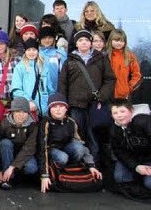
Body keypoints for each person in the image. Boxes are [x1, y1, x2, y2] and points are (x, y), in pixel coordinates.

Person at [58, 30, 116, 165]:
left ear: (91, 43)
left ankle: (93, 166)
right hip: (75, 105)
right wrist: (63, 103)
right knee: (78, 136)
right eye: (80, 40)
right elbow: (62, 83)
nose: (83, 43)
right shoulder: (70, 60)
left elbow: (110, 79)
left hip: (95, 104)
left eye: (86, 40)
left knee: (93, 137)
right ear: (76, 43)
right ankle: (79, 165)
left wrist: (102, 95)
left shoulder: (101, 59)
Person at [38, 93, 102, 193]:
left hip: (66, 147)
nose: (58, 110)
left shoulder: (71, 122)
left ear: (66, 109)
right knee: (63, 158)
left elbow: (80, 143)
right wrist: (44, 175)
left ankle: (74, 167)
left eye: (61, 106)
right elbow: (42, 147)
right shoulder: (46, 122)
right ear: (49, 109)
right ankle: (55, 167)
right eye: (54, 107)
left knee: (79, 149)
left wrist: (91, 165)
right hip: (51, 149)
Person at [0, 97, 38, 190]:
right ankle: (8, 179)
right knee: (5, 143)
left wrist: (13, 167)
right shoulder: (4, 124)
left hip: (24, 155)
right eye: (18, 111)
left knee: (32, 168)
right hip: (7, 154)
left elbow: (30, 147)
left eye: (24, 112)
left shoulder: (32, 125)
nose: (21, 115)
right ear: (12, 112)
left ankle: (16, 174)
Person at [110, 98, 151, 190]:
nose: (119, 116)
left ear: (131, 111)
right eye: (115, 113)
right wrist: (136, 166)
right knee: (121, 178)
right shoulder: (115, 130)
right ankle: (139, 175)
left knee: (150, 184)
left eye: (122, 111)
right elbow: (119, 151)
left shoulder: (144, 121)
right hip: (134, 158)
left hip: (149, 157)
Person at [11, 38, 55, 118]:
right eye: (29, 50)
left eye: (34, 50)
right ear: (25, 51)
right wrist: (28, 101)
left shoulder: (44, 67)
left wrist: (50, 103)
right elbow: (16, 89)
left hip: (44, 110)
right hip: (28, 110)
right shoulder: (20, 67)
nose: (31, 52)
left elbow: (50, 89)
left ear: (38, 51)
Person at [105, 29, 142, 99]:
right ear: (110, 40)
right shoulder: (105, 55)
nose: (119, 43)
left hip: (123, 96)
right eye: (116, 40)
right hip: (107, 96)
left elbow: (137, 75)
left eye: (122, 41)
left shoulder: (129, 56)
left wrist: (128, 88)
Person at [39, 26, 67, 92]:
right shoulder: (36, 54)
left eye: (50, 38)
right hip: (40, 92)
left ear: (54, 39)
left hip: (57, 91)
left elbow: (64, 74)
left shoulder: (59, 54)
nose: (47, 40)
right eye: (44, 38)